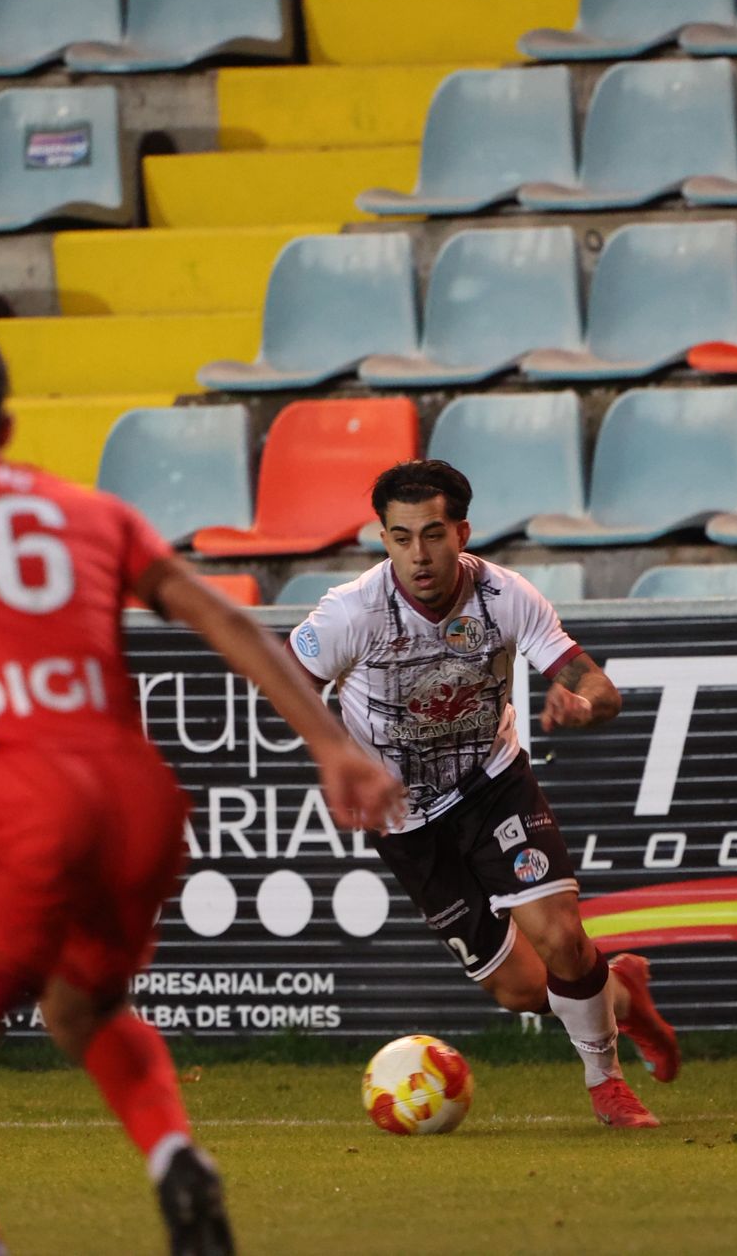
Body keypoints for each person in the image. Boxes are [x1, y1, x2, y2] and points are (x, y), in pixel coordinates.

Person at [0, 329, 402, 1256]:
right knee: (80, 1006)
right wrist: (331, 746)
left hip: (22, 796)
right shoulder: (89, 510)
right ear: (7, 424)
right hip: (136, 794)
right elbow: (216, 613)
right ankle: (175, 1152)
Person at [287, 460, 680, 1129]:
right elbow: (285, 681)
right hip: (405, 819)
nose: (419, 554)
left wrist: (585, 707)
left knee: (560, 937)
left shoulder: (506, 598)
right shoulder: (352, 613)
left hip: (492, 785)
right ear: (382, 538)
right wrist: (335, 756)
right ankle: (624, 998)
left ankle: (606, 1084)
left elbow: (601, 689)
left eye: (434, 534)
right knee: (525, 989)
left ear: (462, 531)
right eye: (401, 536)